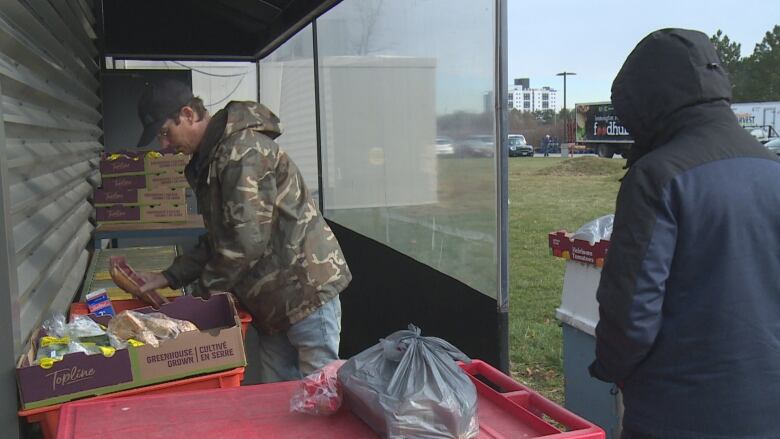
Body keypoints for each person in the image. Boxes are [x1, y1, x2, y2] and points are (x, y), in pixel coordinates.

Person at [589, 28, 780, 439]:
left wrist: (610, 365)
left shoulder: (656, 176)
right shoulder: (773, 169)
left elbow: (630, 318)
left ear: (646, 102)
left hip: (676, 416)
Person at [134, 80, 352, 383]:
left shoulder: (242, 152)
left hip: (305, 291)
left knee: (321, 393)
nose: (164, 146)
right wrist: (169, 276)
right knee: (278, 400)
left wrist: (199, 301)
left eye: (165, 133)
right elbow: (220, 239)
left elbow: (244, 242)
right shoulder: (212, 159)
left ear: (187, 114)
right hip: (271, 301)